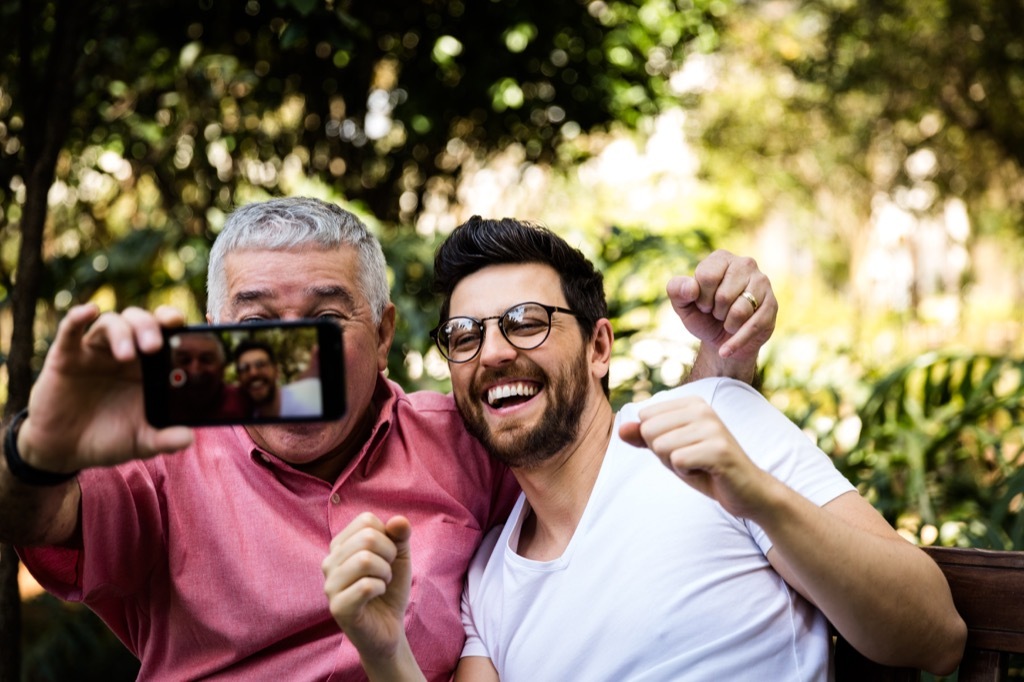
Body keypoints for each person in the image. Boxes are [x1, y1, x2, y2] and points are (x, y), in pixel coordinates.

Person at [0, 197, 774, 680]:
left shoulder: (465, 434)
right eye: (257, 325)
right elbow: (32, 518)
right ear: (216, 335)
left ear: (385, 332)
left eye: (327, 319)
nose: (290, 353)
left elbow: (624, 466)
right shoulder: (159, 459)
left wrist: (722, 366)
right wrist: (39, 447)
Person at [321, 216, 968, 680]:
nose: (491, 352)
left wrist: (762, 500)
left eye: (526, 322)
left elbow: (936, 637)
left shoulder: (713, 423)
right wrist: (386, 655)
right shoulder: (488, 581)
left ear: (599, 347)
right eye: (464, 335)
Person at [167, 330, 248, 422]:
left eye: (206, 360)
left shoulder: (244, 401)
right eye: (185, 360)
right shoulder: (159, 402)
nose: (195, 371)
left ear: (222, 367)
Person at [234, 339, 323, 418]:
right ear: (239, 378)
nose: (253, 373)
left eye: (260, 365)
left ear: (276, 371)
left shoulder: (313, 398)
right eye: (244, 368)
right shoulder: (245, 420)